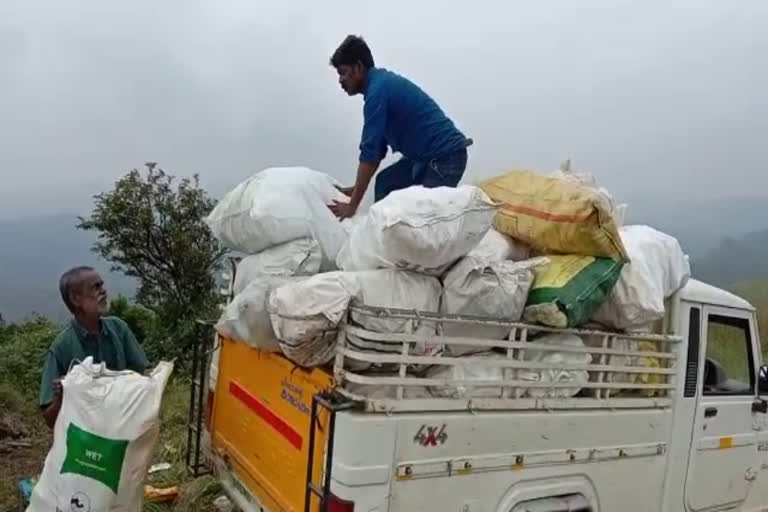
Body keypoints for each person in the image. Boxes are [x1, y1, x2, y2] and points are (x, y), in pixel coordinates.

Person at [328, 35, 472, 219]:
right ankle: (382, 235)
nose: (340, 80)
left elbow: (370, 156)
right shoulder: (378, 87)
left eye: (343, 72)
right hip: (424, 157)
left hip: (445, 158)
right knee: (385, 183)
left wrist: (352, 205)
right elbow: (377, 149)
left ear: (358, 67)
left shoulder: (378, 92)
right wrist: (357, 190)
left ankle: (401, 242)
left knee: (423, 216)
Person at [39, 266, 150, 428]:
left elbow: (145, 373)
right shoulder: (60, 348)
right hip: (86, 439)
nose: (103, 291)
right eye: (96, 287)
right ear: (76, 299)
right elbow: (49, 420)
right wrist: (59, 399)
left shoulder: (119, 329)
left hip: (123, 428)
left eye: (102, 286)